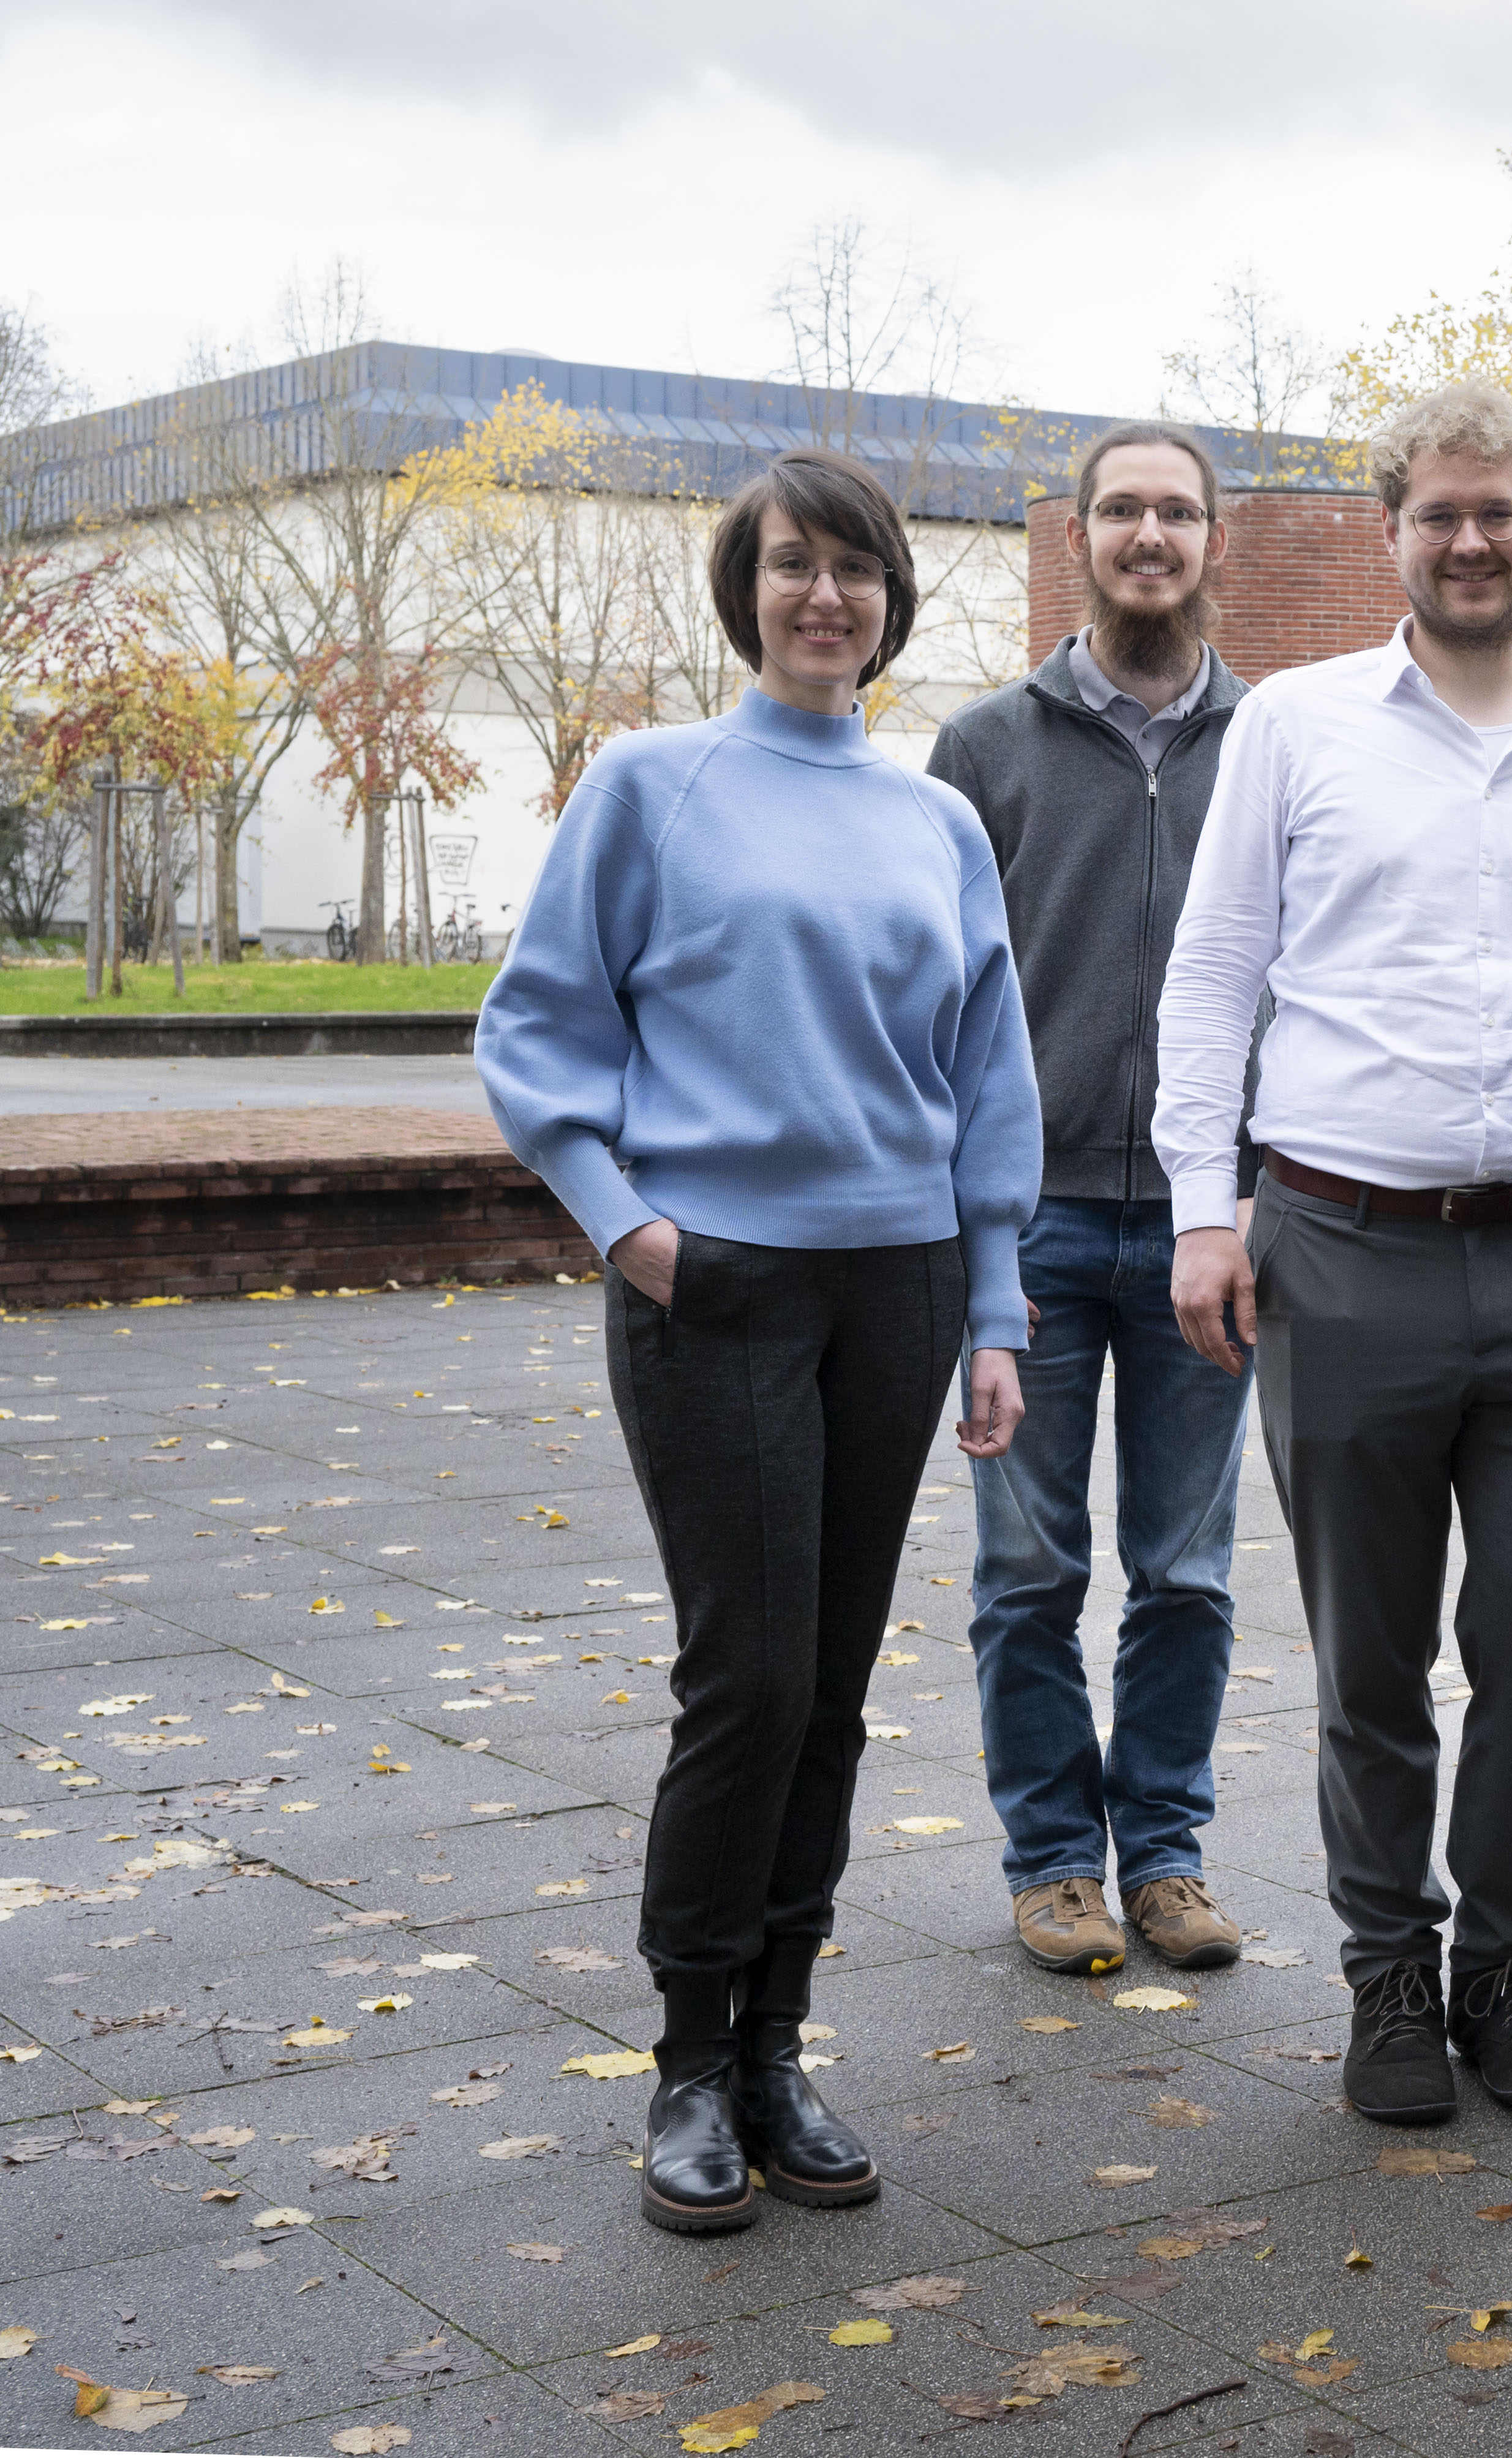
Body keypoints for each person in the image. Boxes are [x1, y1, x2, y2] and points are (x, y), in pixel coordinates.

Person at [478, 445, 1039, 2234]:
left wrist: (996, 1303)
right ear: (748, 590)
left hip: (901, 1287)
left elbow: (988, 1075)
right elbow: (538, 1024)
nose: (826, 594)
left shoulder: (934, 822)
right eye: (794, 562)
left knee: (837, 1687)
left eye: (855, 568)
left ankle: (779, 2045)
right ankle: (686, 2061)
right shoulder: (653, 784)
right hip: (711, 1285)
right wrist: (626, 1222)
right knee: (751, 1680)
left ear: (890, 602)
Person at [1155, 382, 1512, 2127]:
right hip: (1340, 1251)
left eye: (1499, 511)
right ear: (1392, 531)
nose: (1470, 541)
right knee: (1369, 1658)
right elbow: (1215, 973)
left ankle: (1502, 1970)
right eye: (1438, 513)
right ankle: (1388, 1969)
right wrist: (1203, 1207)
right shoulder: (1295, 724)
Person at [926, 421, 1254, 1981]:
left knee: (1186, 1571)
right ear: (1078, 537)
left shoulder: (1273, 742)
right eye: (1122, 509)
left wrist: (1249, 1190)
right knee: (1028, 1572)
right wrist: (965, 1223)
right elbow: (935, 1002)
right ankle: (1056, 1861)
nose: (1149, 535)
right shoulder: (984, 749)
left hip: (1205, 1223)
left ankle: (1167, 1857)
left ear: (1212, 540)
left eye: (1176, 511)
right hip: (1033, 1219)